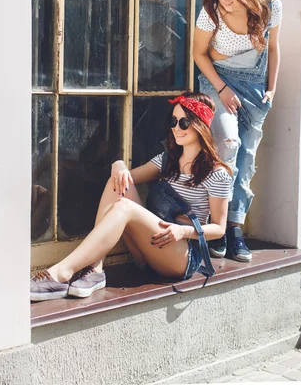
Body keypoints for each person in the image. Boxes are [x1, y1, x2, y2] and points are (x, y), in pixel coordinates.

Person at [30, 92, 233, 301]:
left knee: (124, 206)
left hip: (181, 256)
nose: (176, 128)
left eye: (183, 122)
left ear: (200, 124)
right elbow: (124, 180)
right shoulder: (167, 160)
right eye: (173, 121)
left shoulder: (216, 173)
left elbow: (219, 228)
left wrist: (183, 231)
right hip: (151, 247)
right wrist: (118, 164)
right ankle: (95, 268)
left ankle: (61, 273)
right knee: (118, 182)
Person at [193, 0, 282, 262]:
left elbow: (272, 48)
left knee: (246, 161)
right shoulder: (211, 12)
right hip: (217, 82)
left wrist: (271, 88)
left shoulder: (270, 8)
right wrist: (222, 89)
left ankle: (234, 229)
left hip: (255, 89)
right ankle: (212, 226)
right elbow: (199, 54)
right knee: (227, 144)